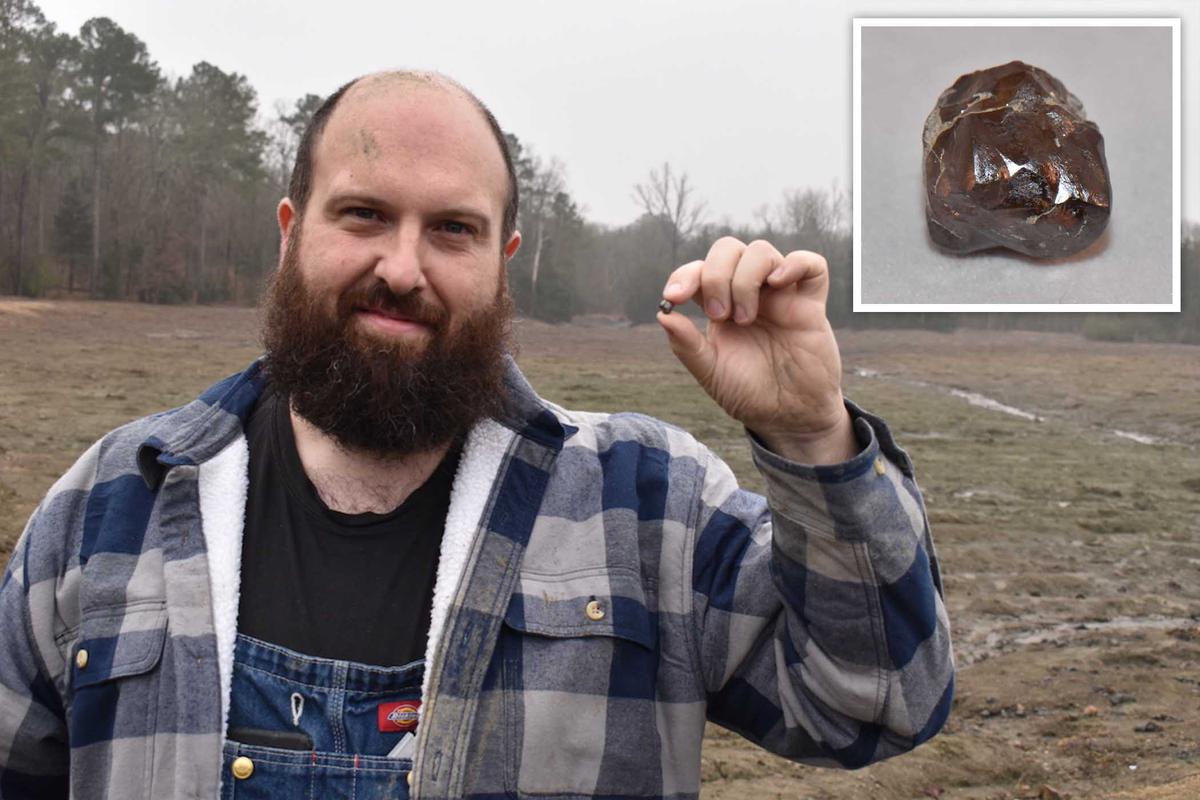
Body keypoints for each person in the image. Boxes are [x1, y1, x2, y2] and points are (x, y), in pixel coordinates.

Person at [0, 71, 953, 800]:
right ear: (292, 232)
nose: (402, 268)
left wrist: (808, 433)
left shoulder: (648, 506)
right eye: (364, 214)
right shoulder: (111, 504)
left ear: (504, 263)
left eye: (452, 230)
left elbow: (874, 705)